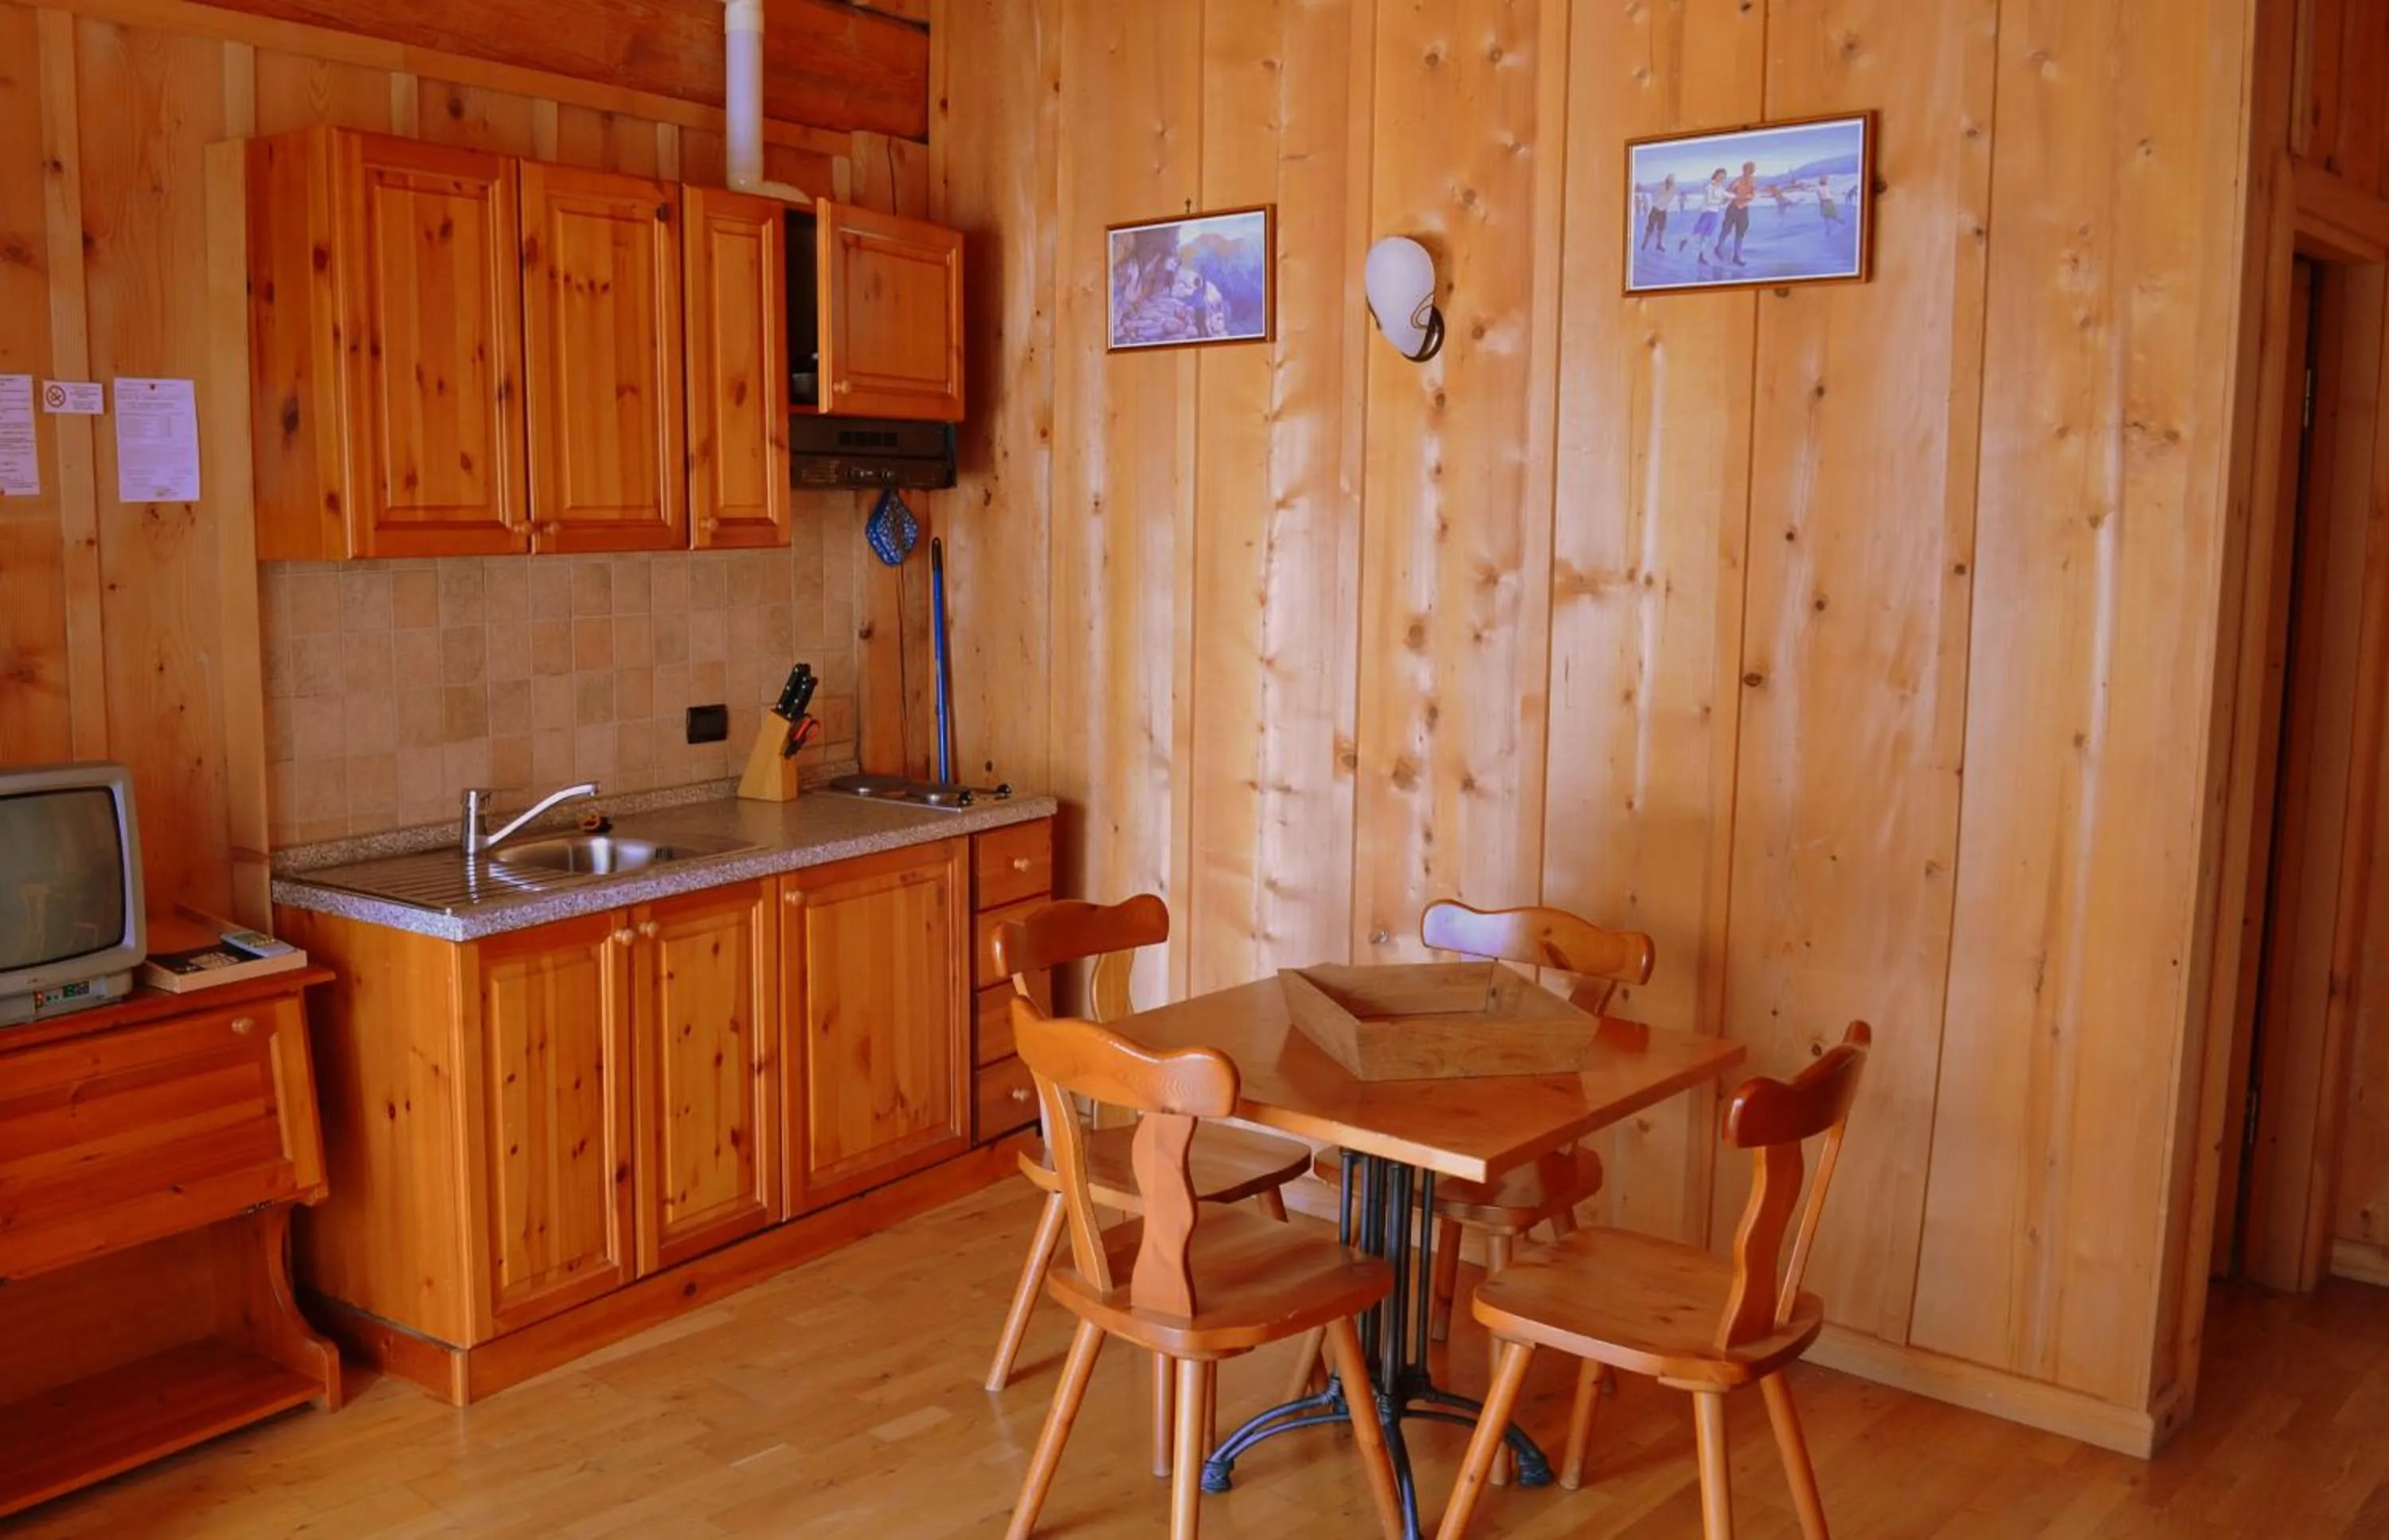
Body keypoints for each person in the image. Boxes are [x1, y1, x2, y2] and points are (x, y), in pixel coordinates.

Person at [1680, 167, 1729, 260]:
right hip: (1706, 213)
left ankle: (1701, 256)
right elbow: (1710, 201)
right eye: (1720, 176)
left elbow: (1722, 199)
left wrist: (1725, 201)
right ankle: (1684, 241)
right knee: (1697, 233)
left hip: (1715, 214)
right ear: (1715, 175)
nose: (1721, 179)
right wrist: (1721, 201)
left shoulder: (1721, 189)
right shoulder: (1710, 186)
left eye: (1723, 177)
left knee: (1707, 236)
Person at [1720, 158, 1759, 265]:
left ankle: (1736, 257)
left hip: (1743, 209)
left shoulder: (1753, 181)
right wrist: (1725, 200)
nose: (1751, 172)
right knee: (1726, 230)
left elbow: (1754, 195)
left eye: (1752, 170)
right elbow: (1728, 192)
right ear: (1744, 170)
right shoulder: (1738, 181)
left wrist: (1746, 197)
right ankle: (1718, 248)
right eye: (1749, 169)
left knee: (1740, 234)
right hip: (1733, 208)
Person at [1640, 174, 1675, 251]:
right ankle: (1644, 243)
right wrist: (1659, 200)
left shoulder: (1672, 189)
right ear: (1667, 181)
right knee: (1650, 228)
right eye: (1669, 181)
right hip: (1656, 209)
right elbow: (1654, 197)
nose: (1670, 183)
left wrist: (1664, 204)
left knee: (1661, 228)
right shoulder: (1660, 187)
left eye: (1672, 182)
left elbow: (1669, 199)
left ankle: (1659, 244)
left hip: (1663, 210)